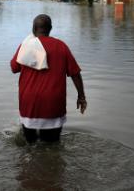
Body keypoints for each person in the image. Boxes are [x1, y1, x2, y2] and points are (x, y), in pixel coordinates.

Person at [10, 14, 87, 143]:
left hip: (29, 104)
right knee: (52, 145)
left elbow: (14, 68)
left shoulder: (25, 46)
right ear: (50, 28)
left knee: (29, 146)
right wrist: (81, 97)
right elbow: (75, 73)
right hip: (53, 104)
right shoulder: (61, 46)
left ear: (34, 28)